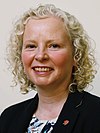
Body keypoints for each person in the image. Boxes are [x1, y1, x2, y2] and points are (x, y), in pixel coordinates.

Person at [0, 4, 100, 133]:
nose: (40, 55)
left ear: (76, 55)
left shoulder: (96, 115)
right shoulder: (9, 118)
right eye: (31, 46)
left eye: (54, 45)